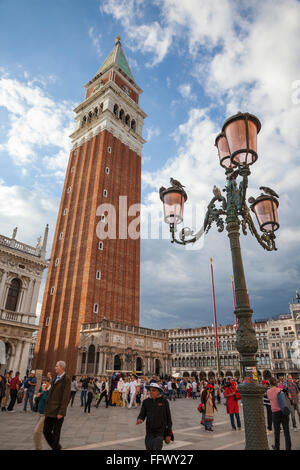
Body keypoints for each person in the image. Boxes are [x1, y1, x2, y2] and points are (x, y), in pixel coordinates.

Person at [43, 361, 71, 450]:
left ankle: (55, 448)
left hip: (58, 411)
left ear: (61, 368)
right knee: (46, 431)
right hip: (50, 410)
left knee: (56, 433)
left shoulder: (66, 379)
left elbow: (66, 397)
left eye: (56, 366)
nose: (55, 368)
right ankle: (57, 447)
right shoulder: (55, 378)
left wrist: (61, 412)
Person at [136, 382, 173, 450]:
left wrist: (168, 434)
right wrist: (140, 419)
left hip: (159, 433)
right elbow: (142, 414)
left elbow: (169, 419)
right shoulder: (146, 402)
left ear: (158, 391)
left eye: (153, 390)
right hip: (149, 433)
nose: (151, 392)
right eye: (150, 390)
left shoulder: (164, 402)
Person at [267, 377, 291, 450]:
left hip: (275, 413)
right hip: (283, 412)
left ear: (270, 384)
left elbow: (269, 399)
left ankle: (277, 447)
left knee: (276, 432)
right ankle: (288, 447)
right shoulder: (280, 390)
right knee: (286, 431)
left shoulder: (268, 391)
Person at [33, 378, 51, 450]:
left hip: (45, 413)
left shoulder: (50, 390)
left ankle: (38, 448)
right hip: (39, 412)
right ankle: (39, 448)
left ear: (48, 383)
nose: (43, 385)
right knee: (39, 432)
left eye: (45, 383)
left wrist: (44, 392)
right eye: (43, 383)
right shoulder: (42, 388)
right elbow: (36, 400)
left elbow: (47, 400)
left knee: (37, 431)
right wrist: (38, 395)